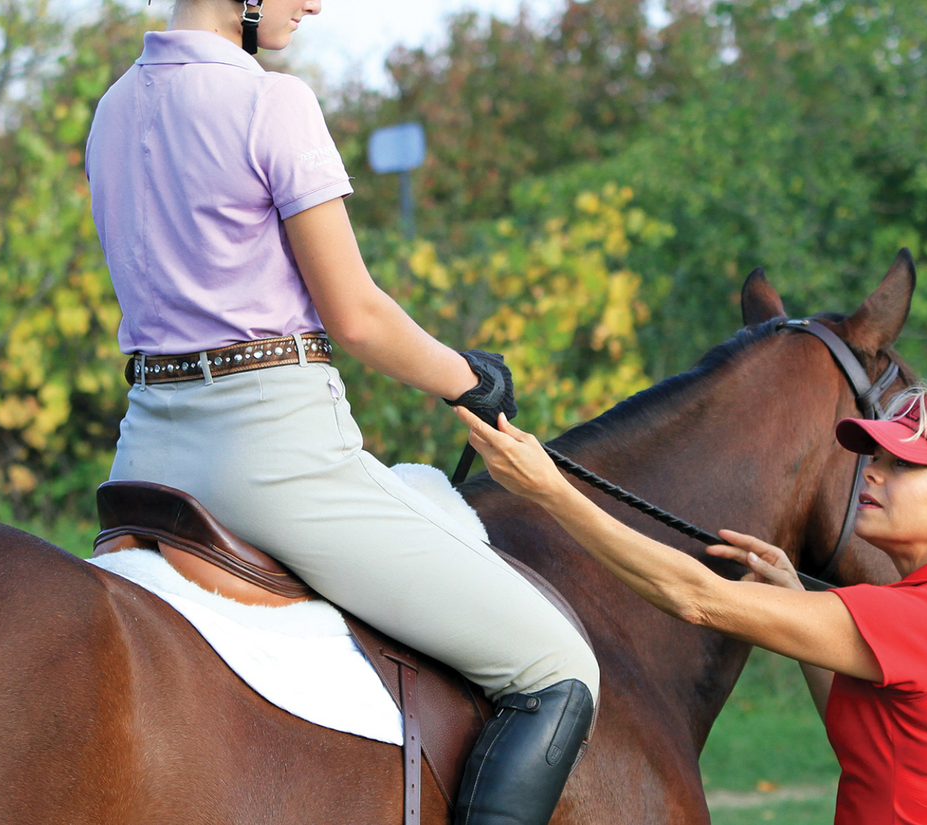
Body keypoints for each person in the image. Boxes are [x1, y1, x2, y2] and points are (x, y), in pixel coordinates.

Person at [84, 2, 598, 822]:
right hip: (271, 459)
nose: (316, 2)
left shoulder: (111, 110)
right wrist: (467, 377)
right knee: (557, 666)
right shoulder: (272, 103)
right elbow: (356, 316)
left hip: (143, 456)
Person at [456, 381, 927, 824]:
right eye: (875, 459)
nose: (870, 474)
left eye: (902, 465)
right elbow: (872, 739)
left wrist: (551, 492)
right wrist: (792, 598)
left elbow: (695, 598)